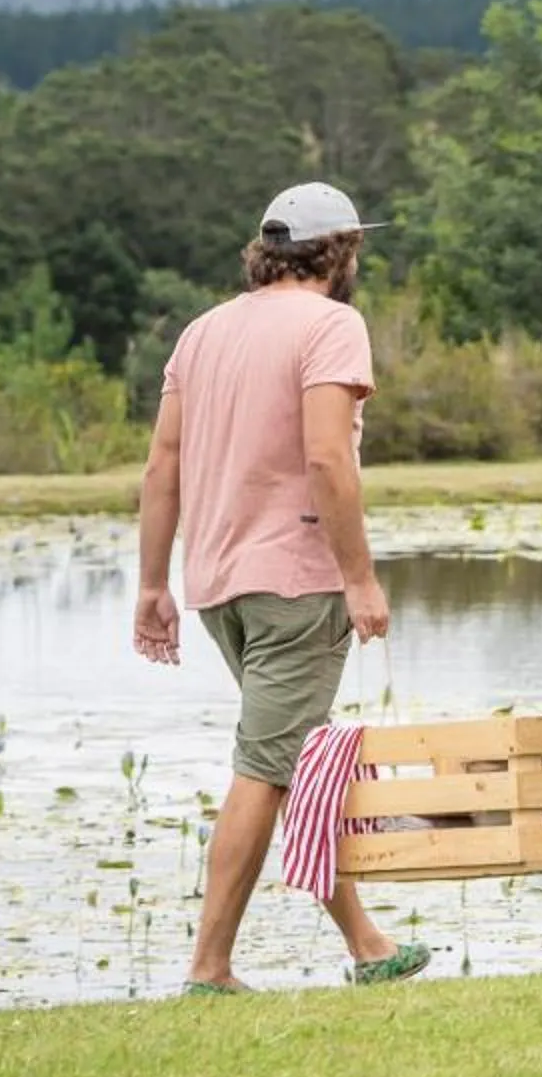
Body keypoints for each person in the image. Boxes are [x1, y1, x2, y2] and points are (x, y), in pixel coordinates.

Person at [132, 181, 431, 996]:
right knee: (269, 765)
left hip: (219, 583)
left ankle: (367, 945)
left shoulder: (202, 332)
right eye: (356, 247)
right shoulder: (333, 325)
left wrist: (153, 584)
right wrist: (360, 579)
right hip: (298, 583)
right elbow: (328, 459)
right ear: (337, 251)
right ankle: (209, 968)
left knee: (298, 760)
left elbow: (163, 465)